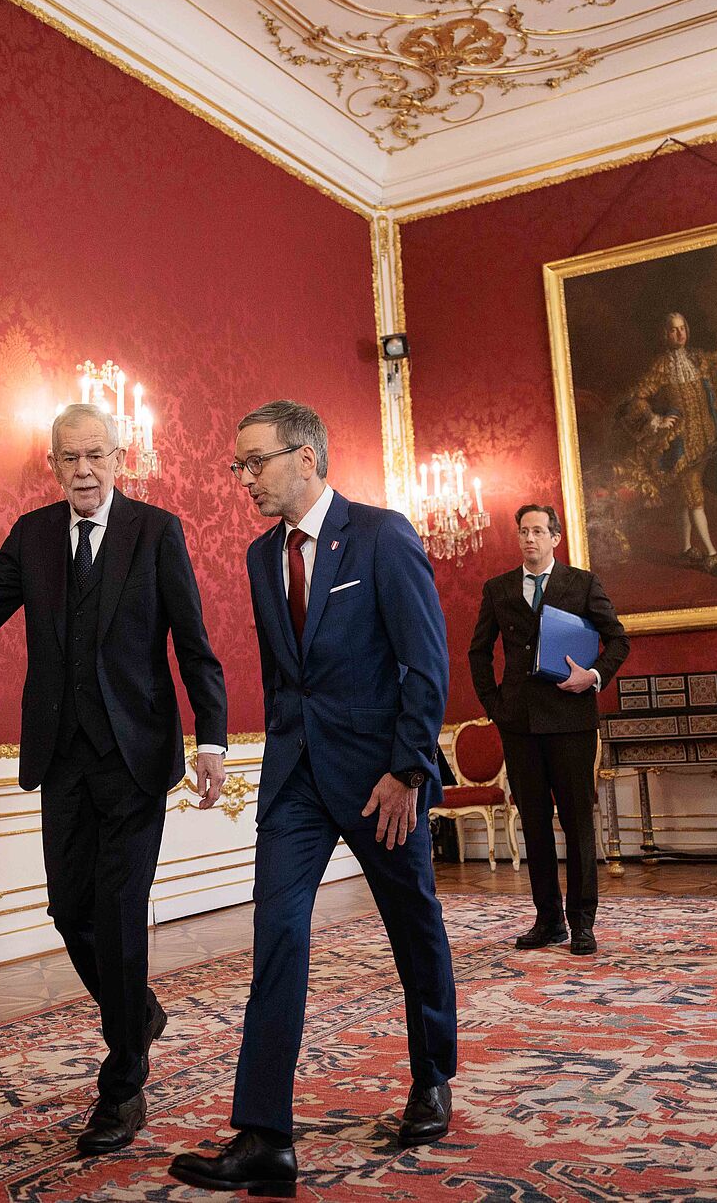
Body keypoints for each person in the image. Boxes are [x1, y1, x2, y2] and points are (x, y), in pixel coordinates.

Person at [0, 403, 229, 1155]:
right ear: (53, 465)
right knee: (70, 910)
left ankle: (122, 1084)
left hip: (135, 758)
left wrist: (212, 739)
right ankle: (138, 1012)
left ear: (119, 459)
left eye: (95, 456)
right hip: (61, 758)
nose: (83, 471)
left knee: (120, 914)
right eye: (69, 459)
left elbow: (193, 645)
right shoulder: (32, 534)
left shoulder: (157, 532)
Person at [170, 400, 456, 1196]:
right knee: (277, 936)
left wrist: (408, 771)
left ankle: (432, 1077)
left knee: (413, 924)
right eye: (238, 465)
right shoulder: (262, 557)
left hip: (379, 781)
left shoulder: (381, 535)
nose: (244, 478)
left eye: (254, 461)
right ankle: (265, 1135)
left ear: (306, 457)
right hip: (295, 779)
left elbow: (425, 661)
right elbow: (281, 676)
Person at [466, 502, 628, 954]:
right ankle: (548, 920)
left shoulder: (582, 583)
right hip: (519, 724)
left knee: (577, 823)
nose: (529, 539)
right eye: (523, 531)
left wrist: (592, 676)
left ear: (555, 537)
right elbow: (478, 652)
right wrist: (495, 705)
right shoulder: (498, 589)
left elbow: (618, 640)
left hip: (572, 720)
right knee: (535, 824)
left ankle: (582, 923)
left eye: (538, 531)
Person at [615, 311, 717, 578]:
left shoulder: (698, 359)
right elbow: (636, 397)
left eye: (682, 329)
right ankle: (711, 553)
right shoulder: (662, 366)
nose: (679, 334)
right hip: (682, 446)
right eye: (673, 330)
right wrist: (656, 420)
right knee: (695, 498)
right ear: (665, 334)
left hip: (707, 440)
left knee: (685, 498)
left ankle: (686, 548)